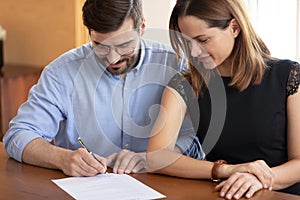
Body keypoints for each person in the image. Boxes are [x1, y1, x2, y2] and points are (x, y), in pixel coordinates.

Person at [3, 0, 203, 177]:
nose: (113, 59)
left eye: (124, 45)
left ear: (142, 27)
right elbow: (18, 135)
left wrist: (154, 159)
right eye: (100, 45)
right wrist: (62, 158)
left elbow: (192, 136)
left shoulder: (176, 65)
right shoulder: (61, 73)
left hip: (161, 185)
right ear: (89, 32)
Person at [146, 0, 300, 199]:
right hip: (223, 194)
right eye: (187, 42)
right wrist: (225, 170)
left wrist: (260, 178)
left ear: (234, 28)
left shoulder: (288, 76)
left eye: (202, 40)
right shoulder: (185, 85)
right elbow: (156, 158)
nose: (193, 52)